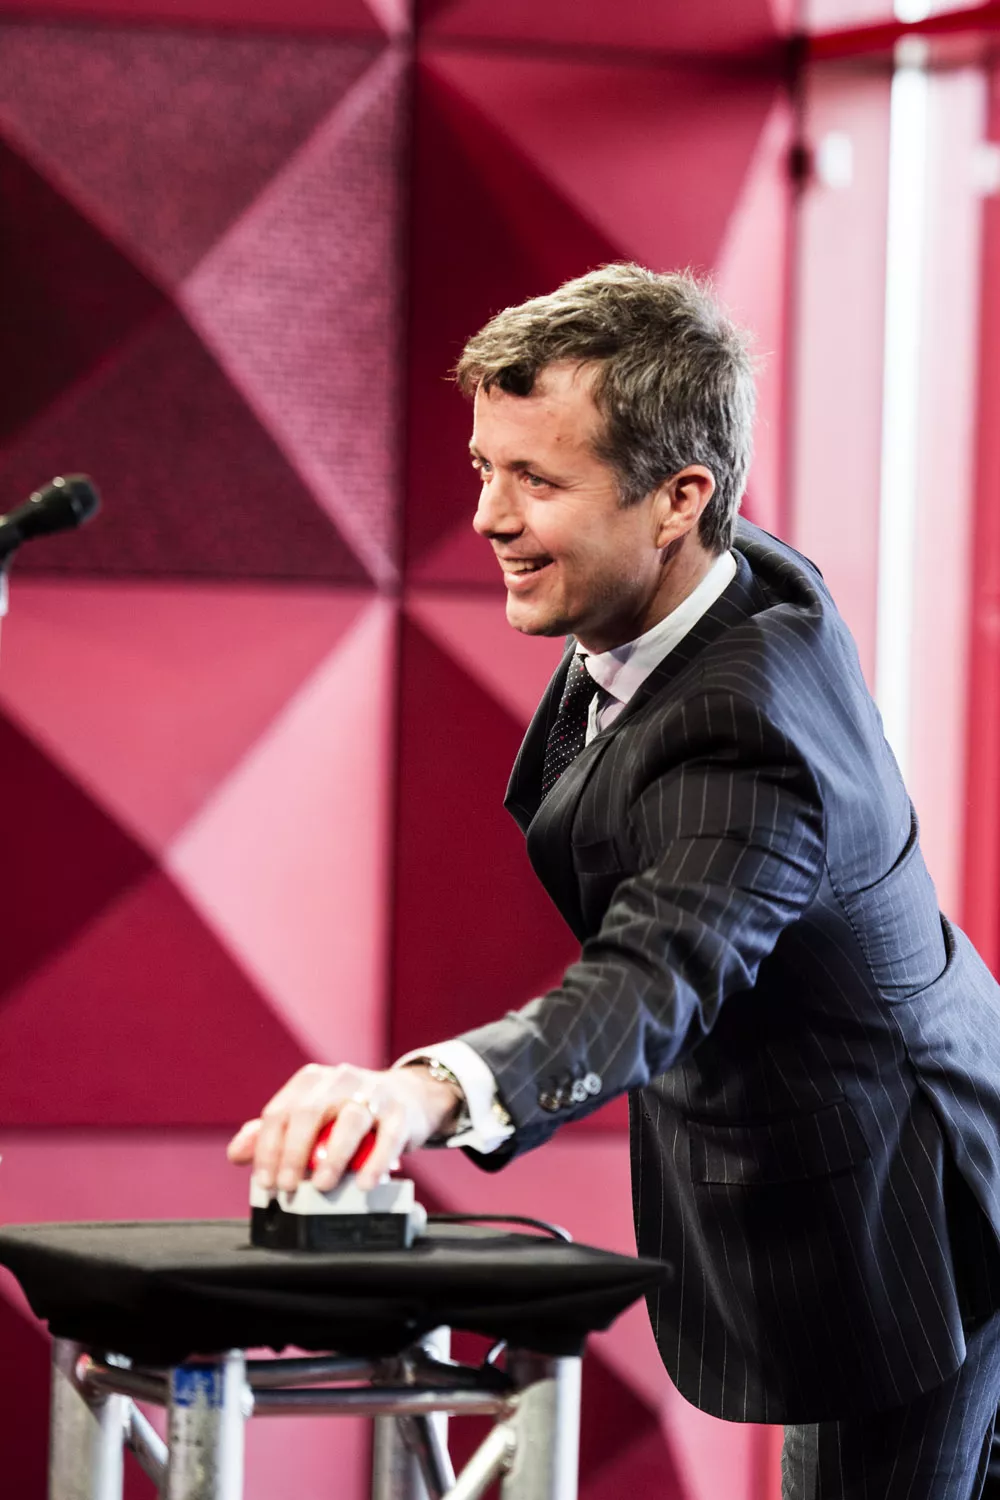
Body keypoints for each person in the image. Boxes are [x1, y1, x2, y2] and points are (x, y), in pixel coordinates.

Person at [228, 264, 1000, 1499]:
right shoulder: (722, 579)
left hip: (904, 1217)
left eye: (538, 482)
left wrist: (428, 1092)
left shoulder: (746, 737)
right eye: (485, 467)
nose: (488, 516)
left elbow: (655, 972)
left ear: (680, 498)